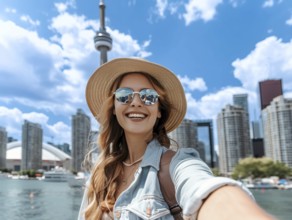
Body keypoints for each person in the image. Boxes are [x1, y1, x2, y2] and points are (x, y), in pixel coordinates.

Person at [78, 58, 275, 220]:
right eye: (124, 95)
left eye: (149, 96)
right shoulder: (100, 173)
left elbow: (204, 189)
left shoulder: (178, 164)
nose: (136, 102)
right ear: (113, 108)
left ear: (158, 112)